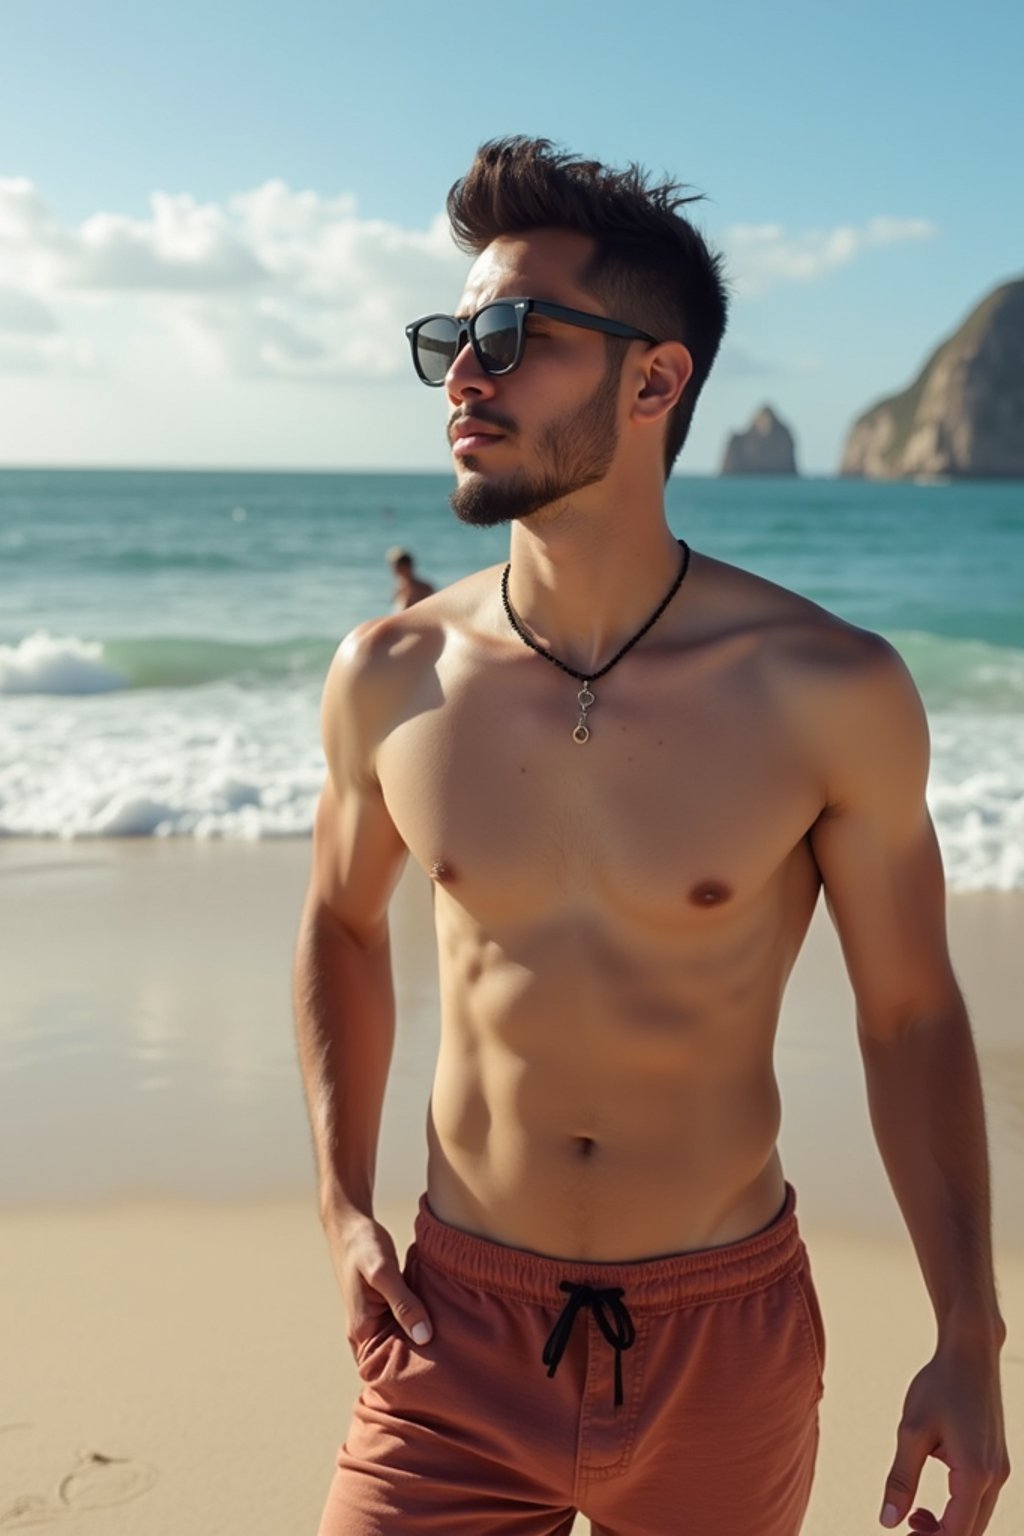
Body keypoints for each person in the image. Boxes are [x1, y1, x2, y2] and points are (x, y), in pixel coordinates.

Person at [293, 137, 1008, 1536]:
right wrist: (339, 1203)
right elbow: (340, 921)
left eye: (506, 334)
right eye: (450, 336)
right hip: (449, 1331)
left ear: (655, 380)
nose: (461, 373)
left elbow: (912, 1012)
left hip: (719, 1342)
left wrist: (971, 1337)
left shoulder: (827, 690)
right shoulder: (388, 674)